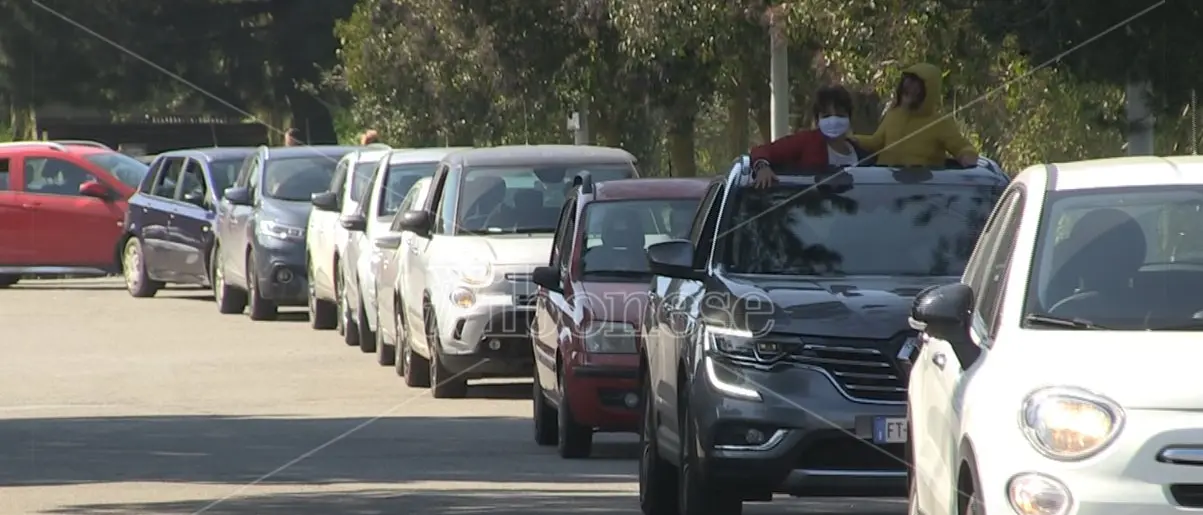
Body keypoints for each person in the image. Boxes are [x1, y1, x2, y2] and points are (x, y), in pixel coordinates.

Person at [854, 63, 978, 167]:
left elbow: (962, 147)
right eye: (906, 90)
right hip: (885, 180)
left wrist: (967, 156)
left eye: (915, 89)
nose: (909, 91)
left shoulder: (939, 123)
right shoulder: (893, 113)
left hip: (920, 185)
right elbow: (875, 142)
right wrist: (851, 139)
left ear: (928, 91)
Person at [749, 85, 875, 188]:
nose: (833, 120)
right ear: (817, 120)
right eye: (826, 116)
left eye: (840, 115)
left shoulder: (863, 157)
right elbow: (762, 150)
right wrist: (762, 167)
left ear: (849, 118)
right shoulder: (806, 142)